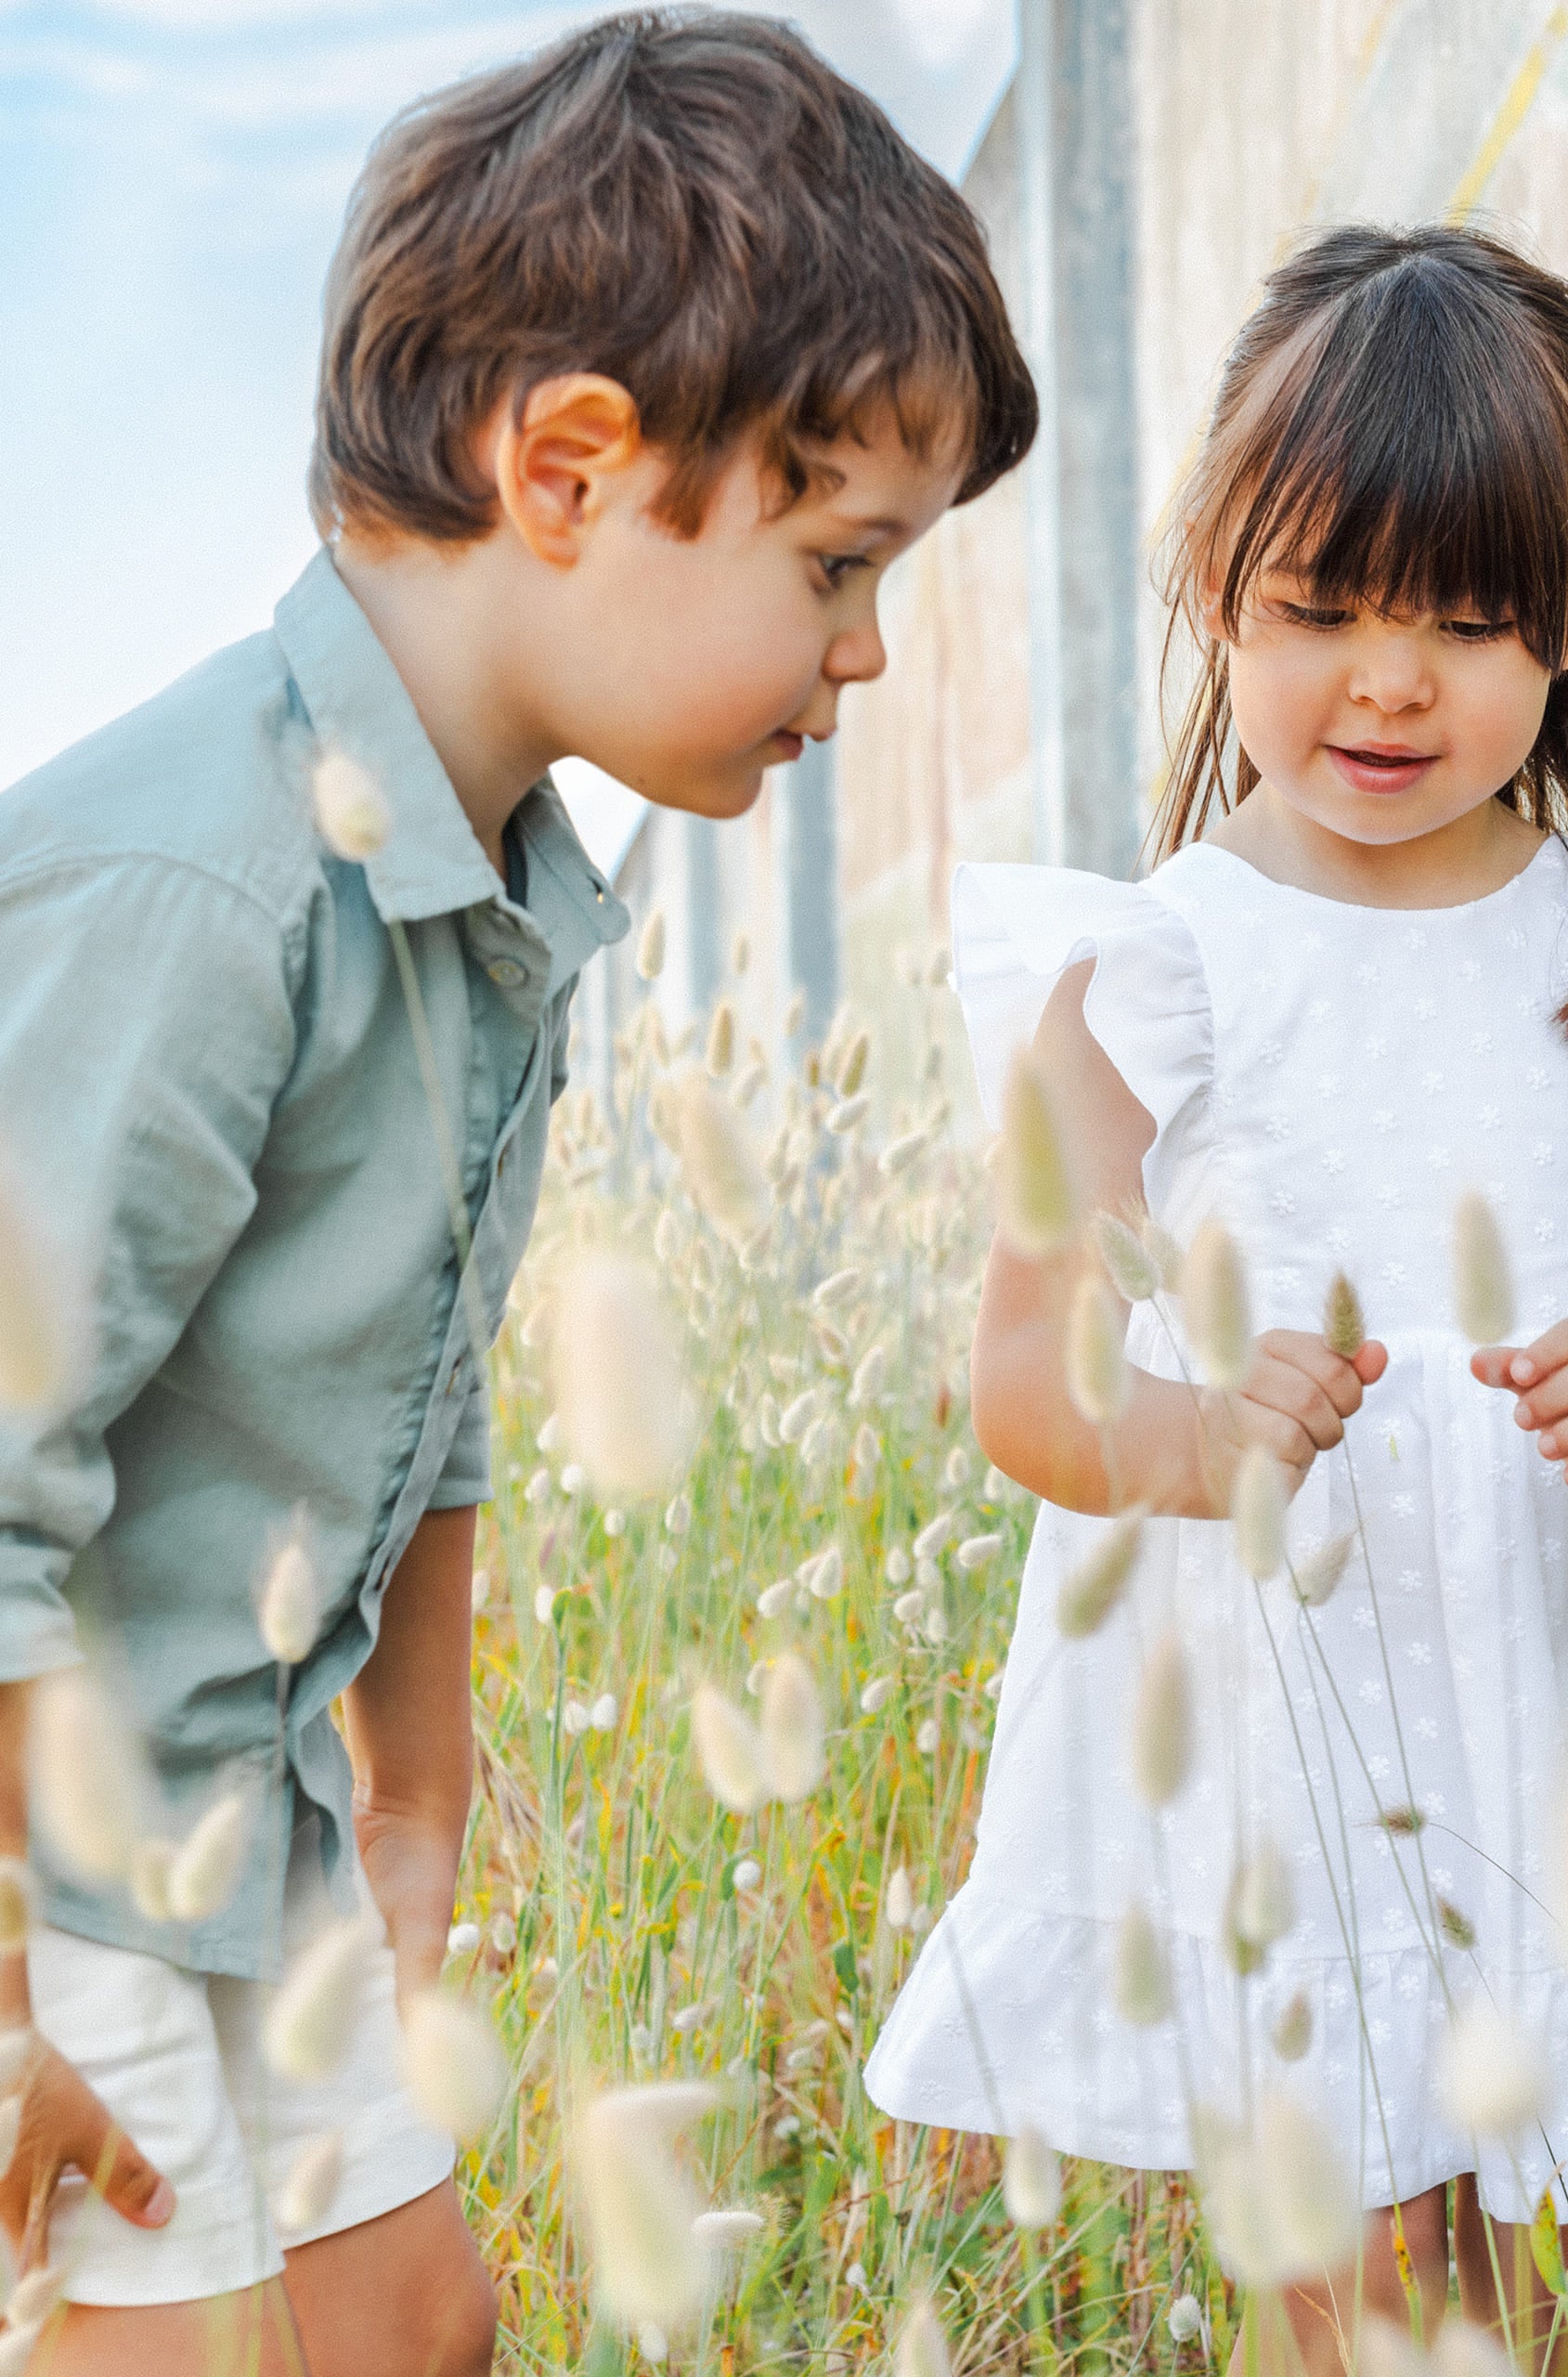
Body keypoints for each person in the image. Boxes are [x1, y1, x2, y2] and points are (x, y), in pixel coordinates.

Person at [0, 13, 1035, 2371]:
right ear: (570, 464)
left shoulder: (488, 906)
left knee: (414, 2323)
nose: (868, 649)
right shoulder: (202, 886)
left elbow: (420, 1387)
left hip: (230, 1815)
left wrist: (421, 1796)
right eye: (837, 558)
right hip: (52, 1835)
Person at [864, 222, 1568, 2372]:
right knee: (1353, 2319)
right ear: (1215, 589)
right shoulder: (1151, 969)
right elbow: (1025, 1376)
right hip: (1287, 1743)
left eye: (1468, 621)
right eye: (1324, 610)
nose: (1390, 682)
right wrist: (1190, 1432)